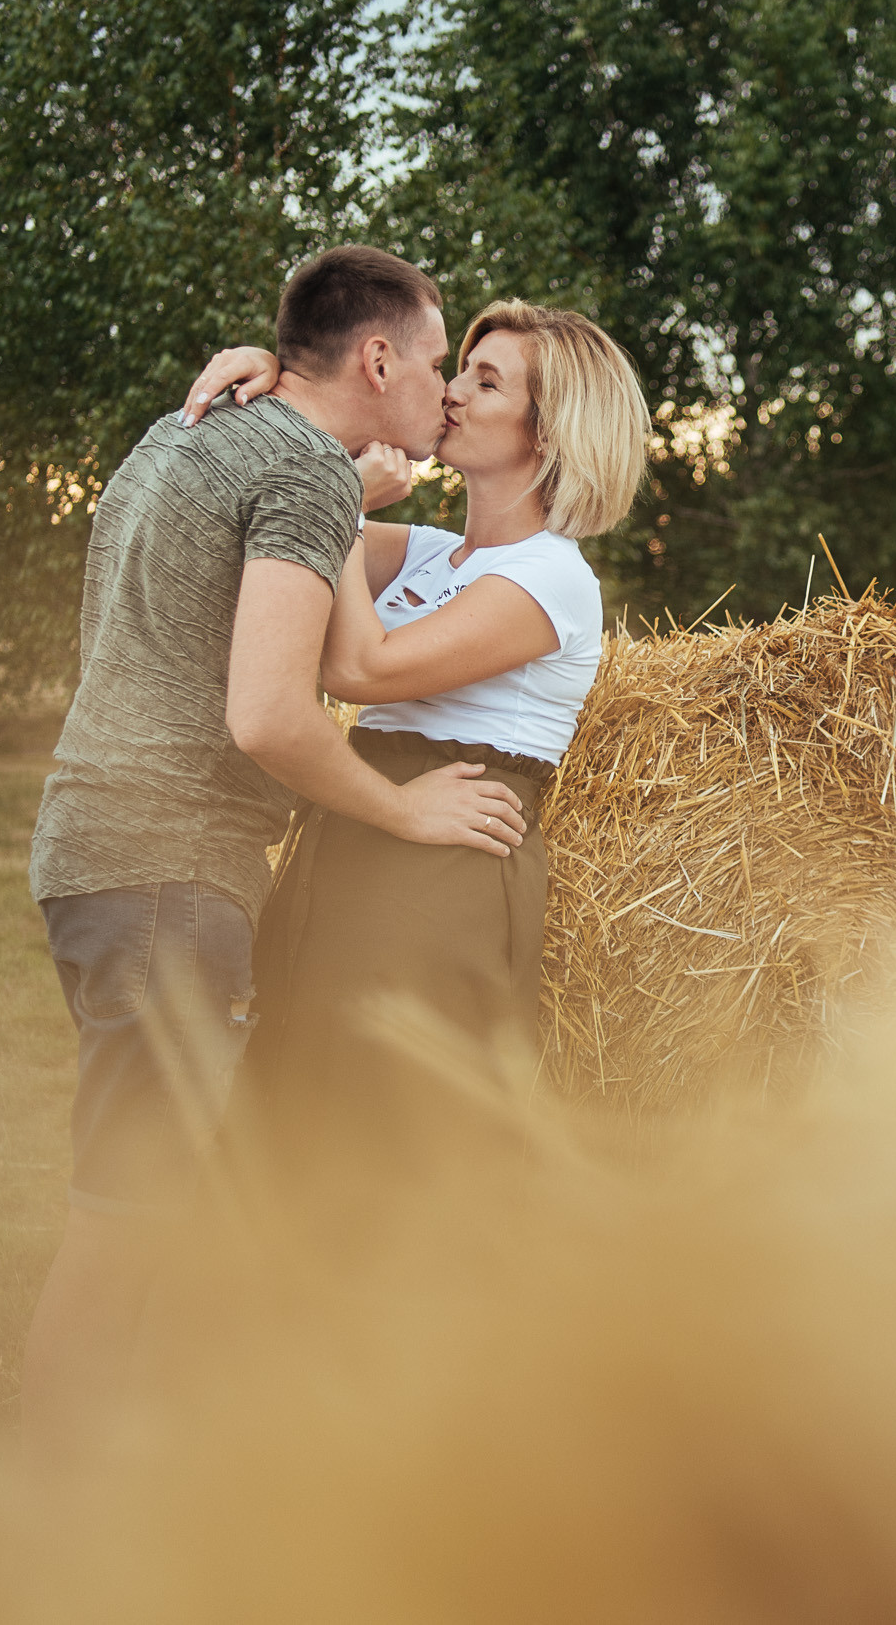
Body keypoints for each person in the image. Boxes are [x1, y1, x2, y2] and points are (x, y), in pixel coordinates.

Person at [22, 246, 528, 1473]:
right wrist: (402, 813)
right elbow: (269, 713)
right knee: (128, 1214)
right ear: (375, 358)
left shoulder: (186, 429)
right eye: (433, 356)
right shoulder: (300, 471)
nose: (444, 389)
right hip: (171, 865)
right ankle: (42, 1499)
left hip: (90, 846)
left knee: (142, 1193)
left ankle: (107, 1469)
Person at [178, 300, 647, 1178]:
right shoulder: (433, 554)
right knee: (291, 1103)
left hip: (442, 866)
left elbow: (360, 667)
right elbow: (269, 518)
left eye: (487, 378)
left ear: (548, 433)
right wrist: (279, 380)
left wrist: (346, 502)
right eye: (461, 367)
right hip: (359, 833)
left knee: (388, 1131)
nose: (454, 391)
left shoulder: (553, 577)